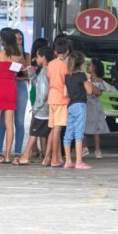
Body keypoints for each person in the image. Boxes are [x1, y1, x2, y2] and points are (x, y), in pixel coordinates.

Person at [0, 28, 22, 164]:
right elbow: (17, 72)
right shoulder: (17, 56)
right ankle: (7, 156)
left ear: (2, 40)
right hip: (11, 89)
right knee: (9, 123)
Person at [16, 46, 52, 166]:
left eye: (37, 56)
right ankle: (48, 156)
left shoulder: (44, 71)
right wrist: (31, 73)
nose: (36, 59)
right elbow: (39, 84)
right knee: (49, 133)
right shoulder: (49, 70)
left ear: (43, 57)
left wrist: (36, 107)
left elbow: (42, 92)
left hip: (42, 109)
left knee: (34, 132)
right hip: (49, 107)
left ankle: (25, 156)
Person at [0, 29, 29, 159]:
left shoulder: (25, 55)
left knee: (19, 121)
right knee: (3, 121)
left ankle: (17, 150)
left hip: (20, 87)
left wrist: (20, 55)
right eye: (15, 39)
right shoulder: (5, 55)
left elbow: (27, 73)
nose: (18, 41)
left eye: (20, 39)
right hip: (8, 86)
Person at [44, 37, 71, 167]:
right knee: (58, 130)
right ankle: (55, 158)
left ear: (55, 51)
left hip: (52, 98)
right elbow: (67, 83)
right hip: (61, 99)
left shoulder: (50, 64)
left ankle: (48, 158)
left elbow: (49, 78)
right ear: (67, 52)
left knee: (53, 129)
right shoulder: (65, 66)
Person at [64, 51, 93, 169]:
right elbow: (90, 91)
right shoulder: (82, 76)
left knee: (68, 134)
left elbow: (65, 93)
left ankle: (68, 161)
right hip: (80, 105)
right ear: (81, 64)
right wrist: (89, 79)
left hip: (70, 106)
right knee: (79, 133)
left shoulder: (67, 76)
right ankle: (79, 162)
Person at [85, 58, 109, 159]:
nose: (87, 67)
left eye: (89, 65)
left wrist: (89, 83)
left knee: (96, 129)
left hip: (94, 106)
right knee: (83, 127)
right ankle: (83, 148)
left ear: (94, 68)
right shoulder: (84, 78)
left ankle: (97, 149)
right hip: (85, 105)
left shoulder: (99, 81)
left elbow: (98, 93)